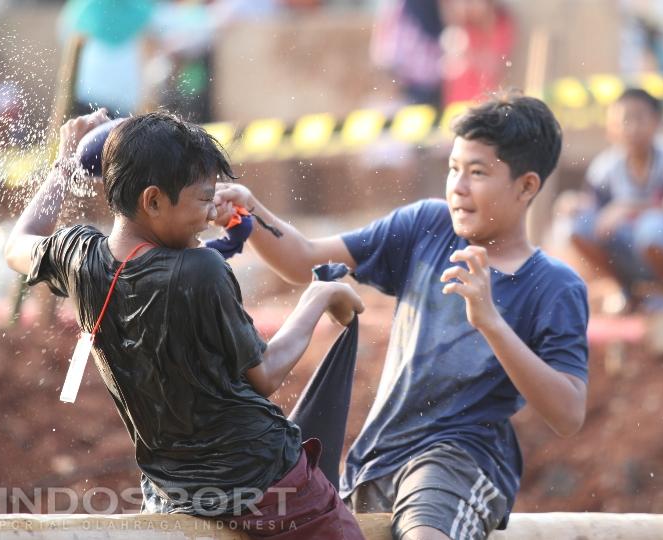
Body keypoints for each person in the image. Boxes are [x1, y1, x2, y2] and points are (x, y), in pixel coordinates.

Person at [213, 93, 589, 540]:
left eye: (478, 173)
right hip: (378, 457)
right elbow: (304, 260)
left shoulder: (554, 286)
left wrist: (490, 320)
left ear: (527, 186)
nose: (459, 187)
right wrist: (249, 209)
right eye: (454, 168)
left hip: (458, 461)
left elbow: (568, 414)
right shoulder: (426, 227)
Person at [3, 109, 366, 539]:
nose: (210, 210)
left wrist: (63, 165)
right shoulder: (201, 270)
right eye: (203, 198)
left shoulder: (80, 258)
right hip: (265, 483)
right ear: (153, 200)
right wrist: (317, 296)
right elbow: (265, 375)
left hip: (174, 492)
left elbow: (16, 245)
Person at [568, 88, 663, 312]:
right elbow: (592, 209)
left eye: (639, 118)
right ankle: (624, 289)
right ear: (611, 128)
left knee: (652, 229)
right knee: (579, 226)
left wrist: (628, 208)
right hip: (627, 253)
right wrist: (573, 204)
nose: (632, 128)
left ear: (657, 122)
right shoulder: (606, 165)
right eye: (624, 120)